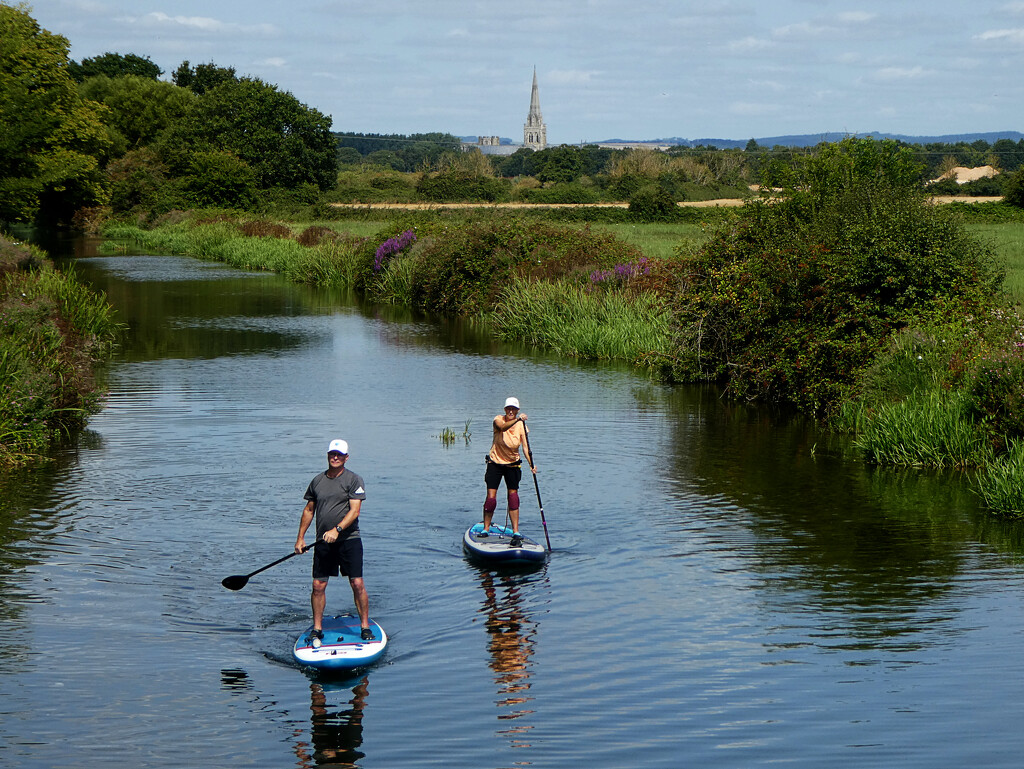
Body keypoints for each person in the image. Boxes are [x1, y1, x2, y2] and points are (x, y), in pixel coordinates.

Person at [295, 439, 373, 643]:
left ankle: (364, 627)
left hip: (349, 540)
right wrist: (300, 538)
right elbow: (309, 510)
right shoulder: (317, 481)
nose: (335, 457)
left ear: (346, 457)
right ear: (328, 455)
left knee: (357, 583)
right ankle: (317, 628)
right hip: (323, 542)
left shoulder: (354, 480)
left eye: (339, 454)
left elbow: (355, 511)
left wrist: (337, 529)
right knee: (318, 585)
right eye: (332, 454)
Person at [481, 397, 535, 547]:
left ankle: (516, 531)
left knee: (513, 497)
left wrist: (532, 465)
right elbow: (503, 427)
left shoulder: (522, 426)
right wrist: (518, 420)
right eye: (508, 409)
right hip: (495, 463)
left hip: (513, 465)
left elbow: (525, 448)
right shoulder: (498, 420)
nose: (511, 411)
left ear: (517, 410)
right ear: (505, 410)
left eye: (514, 409)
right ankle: (486, 528)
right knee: (491, 498)